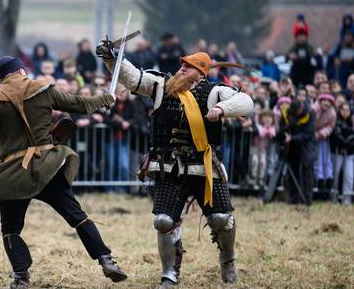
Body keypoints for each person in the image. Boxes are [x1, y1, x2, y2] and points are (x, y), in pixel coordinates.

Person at [0, 56, 127, 288]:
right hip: (47, 167)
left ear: (2, 77)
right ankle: (106, 260)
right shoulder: (43, 89)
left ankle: (21, 277)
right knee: (77, 217)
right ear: (21, 71)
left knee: (10, 229)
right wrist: (106, 98)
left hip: (15, 173)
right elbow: (81, 104)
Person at [97, 42, 253, 287]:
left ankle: (227, 261)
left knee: (221, 218)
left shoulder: (215, 91)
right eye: (182, 64)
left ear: (201, 73)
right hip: (168, 167)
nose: (181, 68)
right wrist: (112, 58)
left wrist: (222, 108)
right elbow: (133, 77)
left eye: (188, 66)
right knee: (163, 221)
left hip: (204, 167)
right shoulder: (161, 85)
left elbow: (246, 102)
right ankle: (170, 273)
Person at [277, 99, 316, 205]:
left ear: (301, 108)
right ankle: (293, 199)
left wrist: (292, 138)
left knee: (307, 174)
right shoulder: (287, 112)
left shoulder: (310, 114)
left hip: (306, 147)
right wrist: (284, 134)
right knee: (292, 173)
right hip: (292, 148)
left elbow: (308, 133)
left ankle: (306, 200)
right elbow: (282, 127)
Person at [330, 102, 354, 205]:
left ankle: (346, 199)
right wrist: (347, 143)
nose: (345, 112)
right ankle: (334, 197)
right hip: (338, 151)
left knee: (349, 176)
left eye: (347, 110)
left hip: (349, 153)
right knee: (336, 174)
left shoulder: (351, 123)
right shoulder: (336, 122)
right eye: (343, 109)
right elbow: (337, 136)